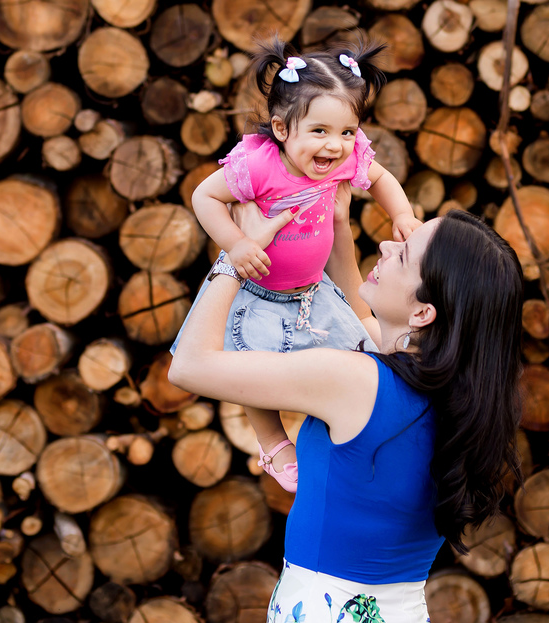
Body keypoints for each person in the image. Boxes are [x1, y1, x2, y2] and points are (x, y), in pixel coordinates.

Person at [169, 185, 525, 623]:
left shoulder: (356, 380)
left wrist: (236, 256)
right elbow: (363, 316)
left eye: (403, 255)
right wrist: (338, 224)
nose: (386, 246)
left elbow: (188, 367)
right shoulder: (458, 397)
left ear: (424, 312)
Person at [177, 34, 421, 493]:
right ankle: (272, 443)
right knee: (249, 364)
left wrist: (402, 213)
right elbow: (204, 195)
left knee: (359, 353)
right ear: (282, 129)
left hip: (313, 289)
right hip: (258, 291)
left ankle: (347, 430)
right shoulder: (259, 165)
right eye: (321, 132)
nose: (336, 146)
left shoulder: (339, 163)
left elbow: (382, 177)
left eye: (347, 132)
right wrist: (236, 243)